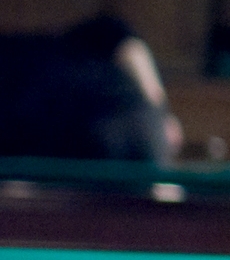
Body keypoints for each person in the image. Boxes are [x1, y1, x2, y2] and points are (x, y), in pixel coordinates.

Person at [0, 15, 179, 164]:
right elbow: (125, 41)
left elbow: (121, 38)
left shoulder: (25, 52)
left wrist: (159, 107)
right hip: (101, 135)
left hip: (117, 119)